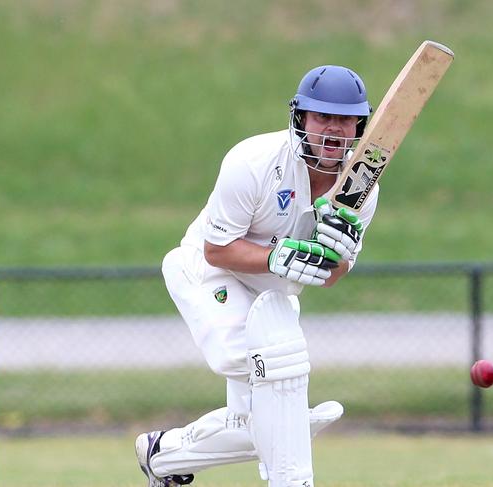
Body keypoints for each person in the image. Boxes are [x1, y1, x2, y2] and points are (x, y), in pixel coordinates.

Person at [135, 65, 379, 487]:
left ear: (360, 124)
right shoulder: (254, 161)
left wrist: (338, 256)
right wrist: (275, 256)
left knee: (263, 414)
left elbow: (333, 275)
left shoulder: (361, 186)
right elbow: (216, 249)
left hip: (273, 293)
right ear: (301, 117)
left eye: (345, 120)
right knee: (275, 374)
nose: (334, 131)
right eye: (323, 117)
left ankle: (164, 455)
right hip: (207, 270)